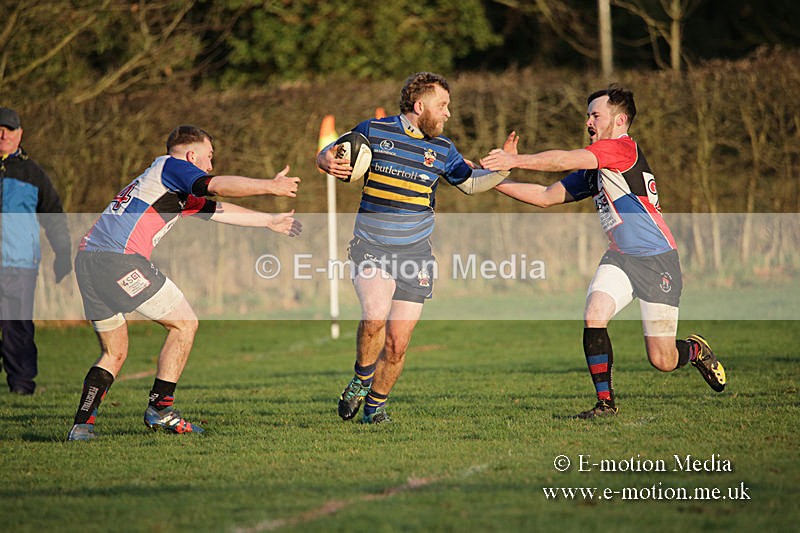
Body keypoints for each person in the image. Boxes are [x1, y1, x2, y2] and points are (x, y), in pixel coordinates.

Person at [480, 85, 726, 419]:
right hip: (621, 257)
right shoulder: (596, 170)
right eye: (588, 116)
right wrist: (485, 179)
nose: (588, 122)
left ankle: (695, 350)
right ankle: (605, 404)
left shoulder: (621, 150)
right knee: (594, 315)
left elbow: (563, 159)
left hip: (657, 261)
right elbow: (544, 195)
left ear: (620, 120)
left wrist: (514, 160)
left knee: (663, 360)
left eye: (596, 115)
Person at [67, 125, 302, 440]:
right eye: (208, 157)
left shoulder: (165, 185)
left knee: (115, 351)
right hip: (118, 261)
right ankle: (160, 411)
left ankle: (81, 427)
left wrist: (269, 220)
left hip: (88, 260)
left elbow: (218, 210)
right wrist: (270, 186)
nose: (210, 165)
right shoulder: (172, 166)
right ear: (192, 155)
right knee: (184, 324)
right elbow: (216, 186)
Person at [317, 72, 510, 424]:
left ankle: (375, 407)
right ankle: (361, 380)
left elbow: (469, 185)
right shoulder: (374, 131)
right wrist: (323, 159)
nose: (448, 113)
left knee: (397, 345)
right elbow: (334, 152)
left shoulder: (443, 149)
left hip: (416, 256)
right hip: (371, 247)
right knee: (374, 315)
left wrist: (504, 169)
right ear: (420, 106)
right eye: (443, 106)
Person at [0, 107, 72, 395]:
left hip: (20, 263)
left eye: (8, 129)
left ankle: (21, 387)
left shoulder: (33, 173)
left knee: (18, 328)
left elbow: (53, 215)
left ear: (20, 134)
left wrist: (63, 254)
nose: (2, 134)